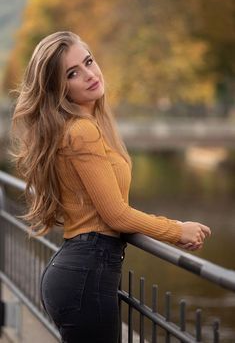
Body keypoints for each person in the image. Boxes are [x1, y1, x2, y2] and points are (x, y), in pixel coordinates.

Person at [11, 31, 211, 343]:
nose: (89, 75)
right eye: (73, 74)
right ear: (59, 89)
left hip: (81, 271)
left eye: (88, 62)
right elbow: (115, 215)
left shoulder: (87, 125)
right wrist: (176, 230)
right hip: (85, 275)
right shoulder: (82, 131)